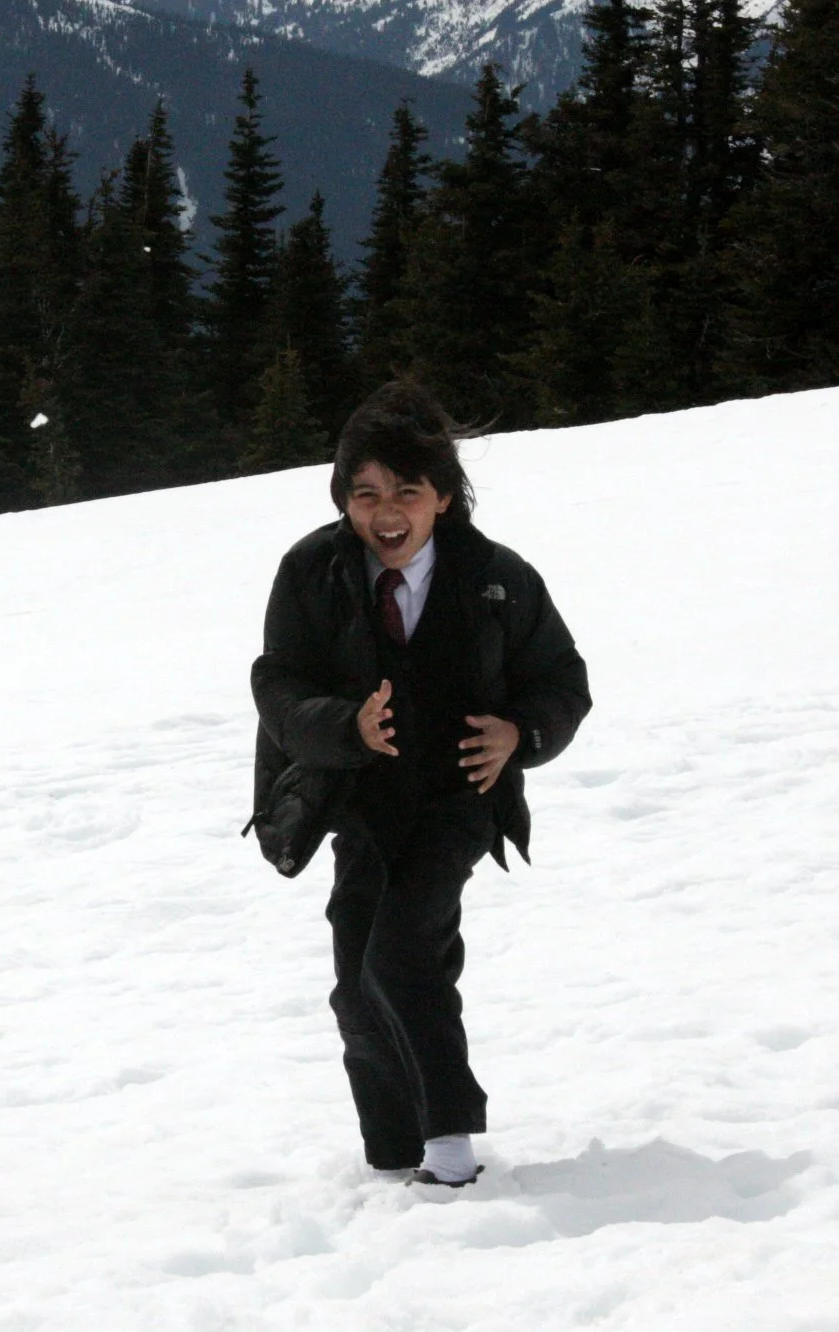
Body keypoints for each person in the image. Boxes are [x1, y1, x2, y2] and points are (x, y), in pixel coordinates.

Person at [249, 381, 591, 1187]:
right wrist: (347, 727)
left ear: (442, 496)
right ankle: (395, 1154)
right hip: (360, 804)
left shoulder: (498, 578)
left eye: (407, 491)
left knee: (402, 957)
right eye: (365, 493)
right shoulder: (312, 572)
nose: (387, 512)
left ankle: (450, 1147)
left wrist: (520, 735)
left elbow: (563, 681)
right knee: (355, 988)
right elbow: (279, 686)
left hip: (457, 798)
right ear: (344, 500)